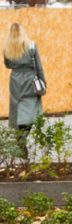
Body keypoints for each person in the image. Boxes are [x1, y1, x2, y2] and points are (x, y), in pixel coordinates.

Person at [4, 22, 45, 150]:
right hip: (30, 80)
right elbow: (39, 67)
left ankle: (20, 137)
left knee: (17, 107)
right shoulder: (31, 46)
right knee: (32, 107)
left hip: (15, 80)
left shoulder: (7, 48)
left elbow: (8, 65)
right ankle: (24, 136)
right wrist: (43, 82)